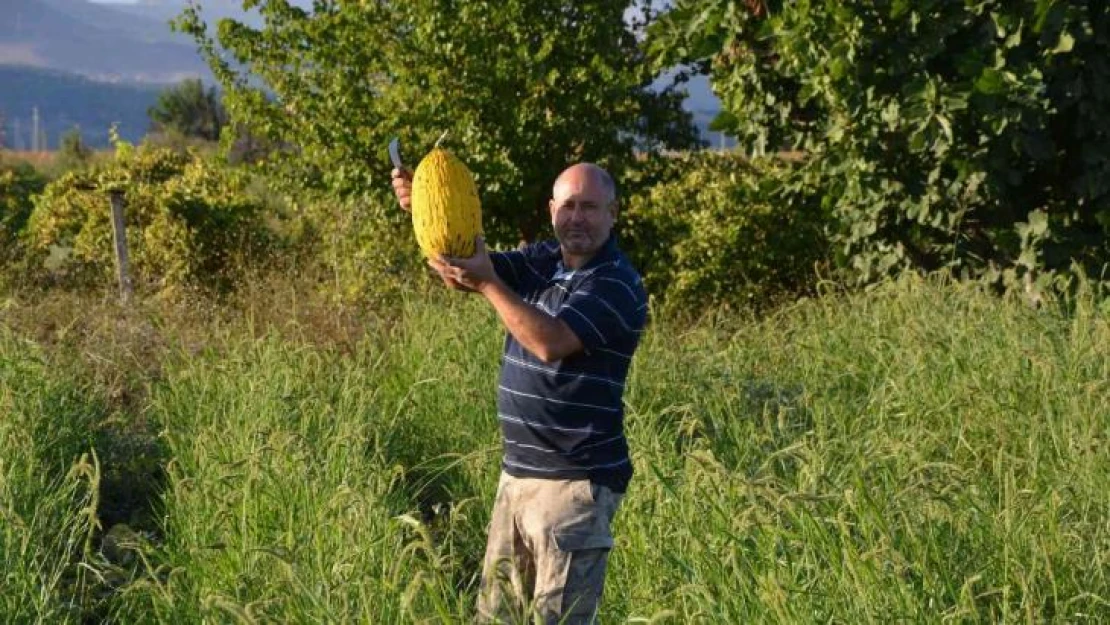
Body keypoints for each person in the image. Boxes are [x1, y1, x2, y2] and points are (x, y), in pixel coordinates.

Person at [391, 162, 648, 624]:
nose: (577, 218)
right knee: (496, 618)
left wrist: (489, 283)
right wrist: (427, 206)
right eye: (567, 206)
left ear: (613, 213)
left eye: (590, 207)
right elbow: (465, 267)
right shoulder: (543, 260)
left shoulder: (616, 283)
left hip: (574, 486)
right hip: (518, 479)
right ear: (552, 210)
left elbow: (551, 341)